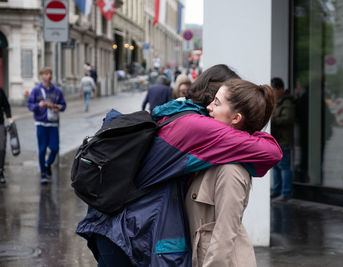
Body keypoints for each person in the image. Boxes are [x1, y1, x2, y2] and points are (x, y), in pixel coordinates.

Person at [76, 64, 282, 266]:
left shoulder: (178, 110)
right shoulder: (198, 127)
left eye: (220, 102)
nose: (213, 106)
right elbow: (271, 152)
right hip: (123, 229)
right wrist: (247, 128)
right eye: (217, 99)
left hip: (112, 222)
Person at [185, 79, 275, 267]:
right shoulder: (215, 157)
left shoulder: (230, 170)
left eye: (217, 103)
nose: (209, 107)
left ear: (235, 118)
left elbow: (225, 236)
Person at [27, 67, 67, 184]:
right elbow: (29, 104)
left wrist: (57, 107)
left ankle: (47, 164)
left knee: (55, 148)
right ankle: (43, 173)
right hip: (41, 123)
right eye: (45, 74)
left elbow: (63, 105)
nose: (48, 76)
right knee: (42, 149)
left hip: (53, 124)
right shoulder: (36, 90)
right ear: (41, 76)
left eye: (49, 73)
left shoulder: (57, 91)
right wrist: (38, 105)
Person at [270, 77, 295, 200]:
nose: (272, 93)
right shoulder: (276, 102)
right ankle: (276, 190)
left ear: (280, 89)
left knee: (284, 167)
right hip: (276, 140)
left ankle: (286, 193)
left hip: (283, 140)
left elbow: (288, 119)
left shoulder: (287, 102)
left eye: (273, 90)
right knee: (275, 167)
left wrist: (272, 120)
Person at [0, 88, 13, 184]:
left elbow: (6, 105)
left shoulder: (0, 91)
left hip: (0, 123)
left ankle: (0, 170)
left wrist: (9, 117)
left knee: (1, 148)